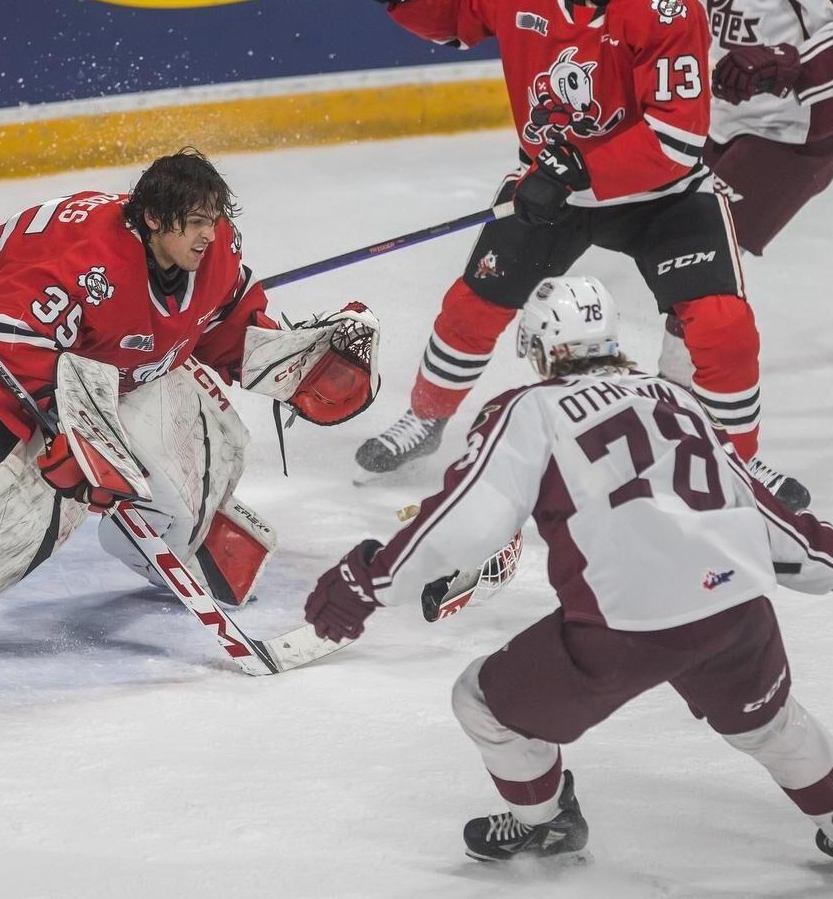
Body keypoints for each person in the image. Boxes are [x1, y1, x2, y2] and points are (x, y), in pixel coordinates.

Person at [306, 274, 833, 864]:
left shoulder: (532, 409)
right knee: (773, 727)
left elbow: (470, 521)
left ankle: (545, 820)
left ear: (536, 347)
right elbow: (775, 530)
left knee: (481, 700)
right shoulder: (679, 399)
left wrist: (374, 580)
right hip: (735, 610)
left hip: (623, 624)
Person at [0, 147, 380, 682]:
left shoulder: (215, 249)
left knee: (204, 422)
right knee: (31, 490)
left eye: (215, 218)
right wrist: (74, 433)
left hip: (92, 359)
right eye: (196, 222)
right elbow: (1, 333)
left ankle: (170, 540)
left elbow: (220, 325)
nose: (210, 234)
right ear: (155, 219)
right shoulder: (88, 261)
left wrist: (297, 365)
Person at [351, 0, 777, 499]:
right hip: (555, 186)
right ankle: (427, 416)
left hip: (664, 195)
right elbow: (460, 14)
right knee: (476, 301)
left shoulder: (669, 9)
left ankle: (732, 462)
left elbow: (677, 140)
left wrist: (578, 168)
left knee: (722, 324)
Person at [659, 0, 833, 434]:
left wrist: (787, 64)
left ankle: (683, 408)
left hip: (799, 131)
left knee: (703, 249)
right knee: (673, 239)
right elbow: (674, 3)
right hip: (718, 115)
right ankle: (680, 401)